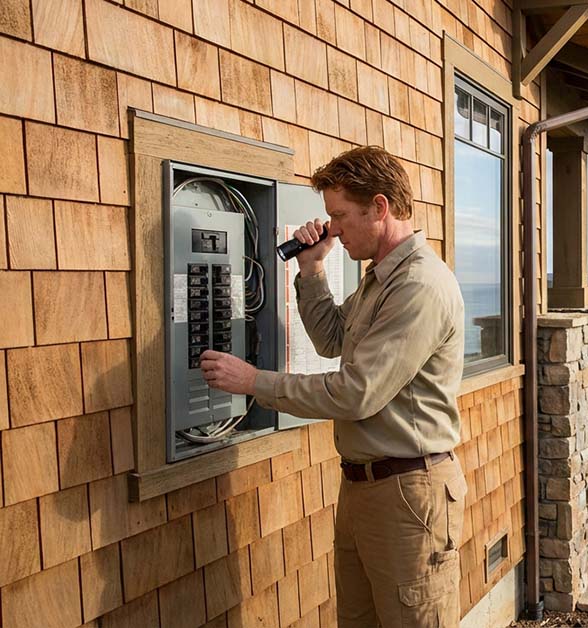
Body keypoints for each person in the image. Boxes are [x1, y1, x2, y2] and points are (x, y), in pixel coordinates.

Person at [200, 145, 467, 627]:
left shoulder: (418, 285)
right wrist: (312, 268)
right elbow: (331, 339)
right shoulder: (379, 280)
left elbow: (354, 392)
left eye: (340, 216)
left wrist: (253, 381)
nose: (334, 228)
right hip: (366, 487)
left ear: (380, 207)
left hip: (410, 492)